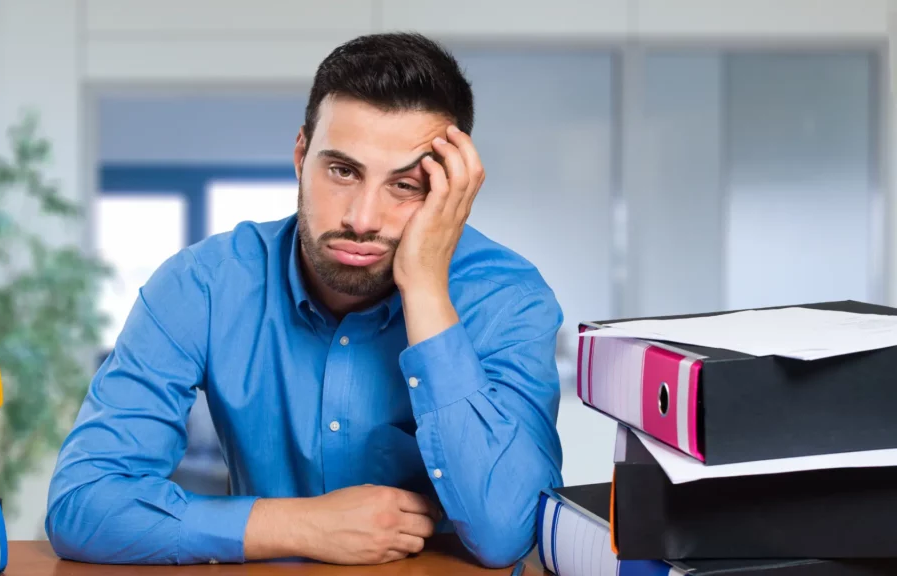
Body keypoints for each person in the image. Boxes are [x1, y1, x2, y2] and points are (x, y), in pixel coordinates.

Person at [45, 32, 564, 568]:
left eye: (405, 185)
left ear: (449, 191)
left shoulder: (509, 298)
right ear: (300, 156)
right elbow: (83, 505)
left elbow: (508, 532)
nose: (362, 219)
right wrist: (302, 525)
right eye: (342, 171)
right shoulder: (202, 284)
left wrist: (426, 287)